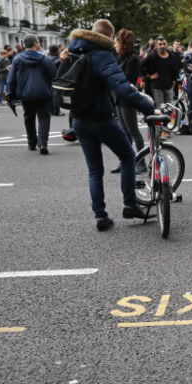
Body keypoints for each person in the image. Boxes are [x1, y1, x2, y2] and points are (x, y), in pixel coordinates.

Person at [68, 20, 160, 230]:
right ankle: (129, 205)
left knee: (94, 169)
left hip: (79, 118)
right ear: (109, 37)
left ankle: (100, 216)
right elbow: (123, 89)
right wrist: (149, 109)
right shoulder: (103, 55)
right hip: (100, 117)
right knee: (128, 157)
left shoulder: (75, 51)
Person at [5, 35, 56, 154]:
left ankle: (31, 143)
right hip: (43, 92)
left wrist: (10, 95)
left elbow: (11, 79)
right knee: (44, 117)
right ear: (35, 44)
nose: (39, 44)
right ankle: (43, 143)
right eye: (38, 42)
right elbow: (54, 74)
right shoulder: (44, 59)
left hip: (25, 93)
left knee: (28, 117)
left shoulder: (17, 59)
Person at [111, 29, 146, 174]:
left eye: (116, 41)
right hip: (118, 97)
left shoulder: (132, 59)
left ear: (123, 43)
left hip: (126, 98)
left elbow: (127, 79)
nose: (115, 44)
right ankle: (126, 161)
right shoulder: (120, 58)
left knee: (133, 131)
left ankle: (141, 162)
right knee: (124, 132)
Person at [141, 36, 179, 128]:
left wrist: (174, 82)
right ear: (157, 45)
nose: (162, 46)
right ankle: (161, 128)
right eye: (160, 44)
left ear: (167, 45)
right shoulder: (153, 56)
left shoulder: (171, 56)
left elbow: (175, 70)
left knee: (169, 108)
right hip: (157, 86)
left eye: (164, 44)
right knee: (160, 107)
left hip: (169, 85)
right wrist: (149, 76)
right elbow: (140, 66)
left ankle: (166, 127)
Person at [46, 45, 65, 116]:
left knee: (49, 95)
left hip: (46, 79)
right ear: (57, 51)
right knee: (56, 95)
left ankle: (50, 110)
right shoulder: (60, 60)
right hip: (56, 79)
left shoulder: (45, 59)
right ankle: (56, 110)